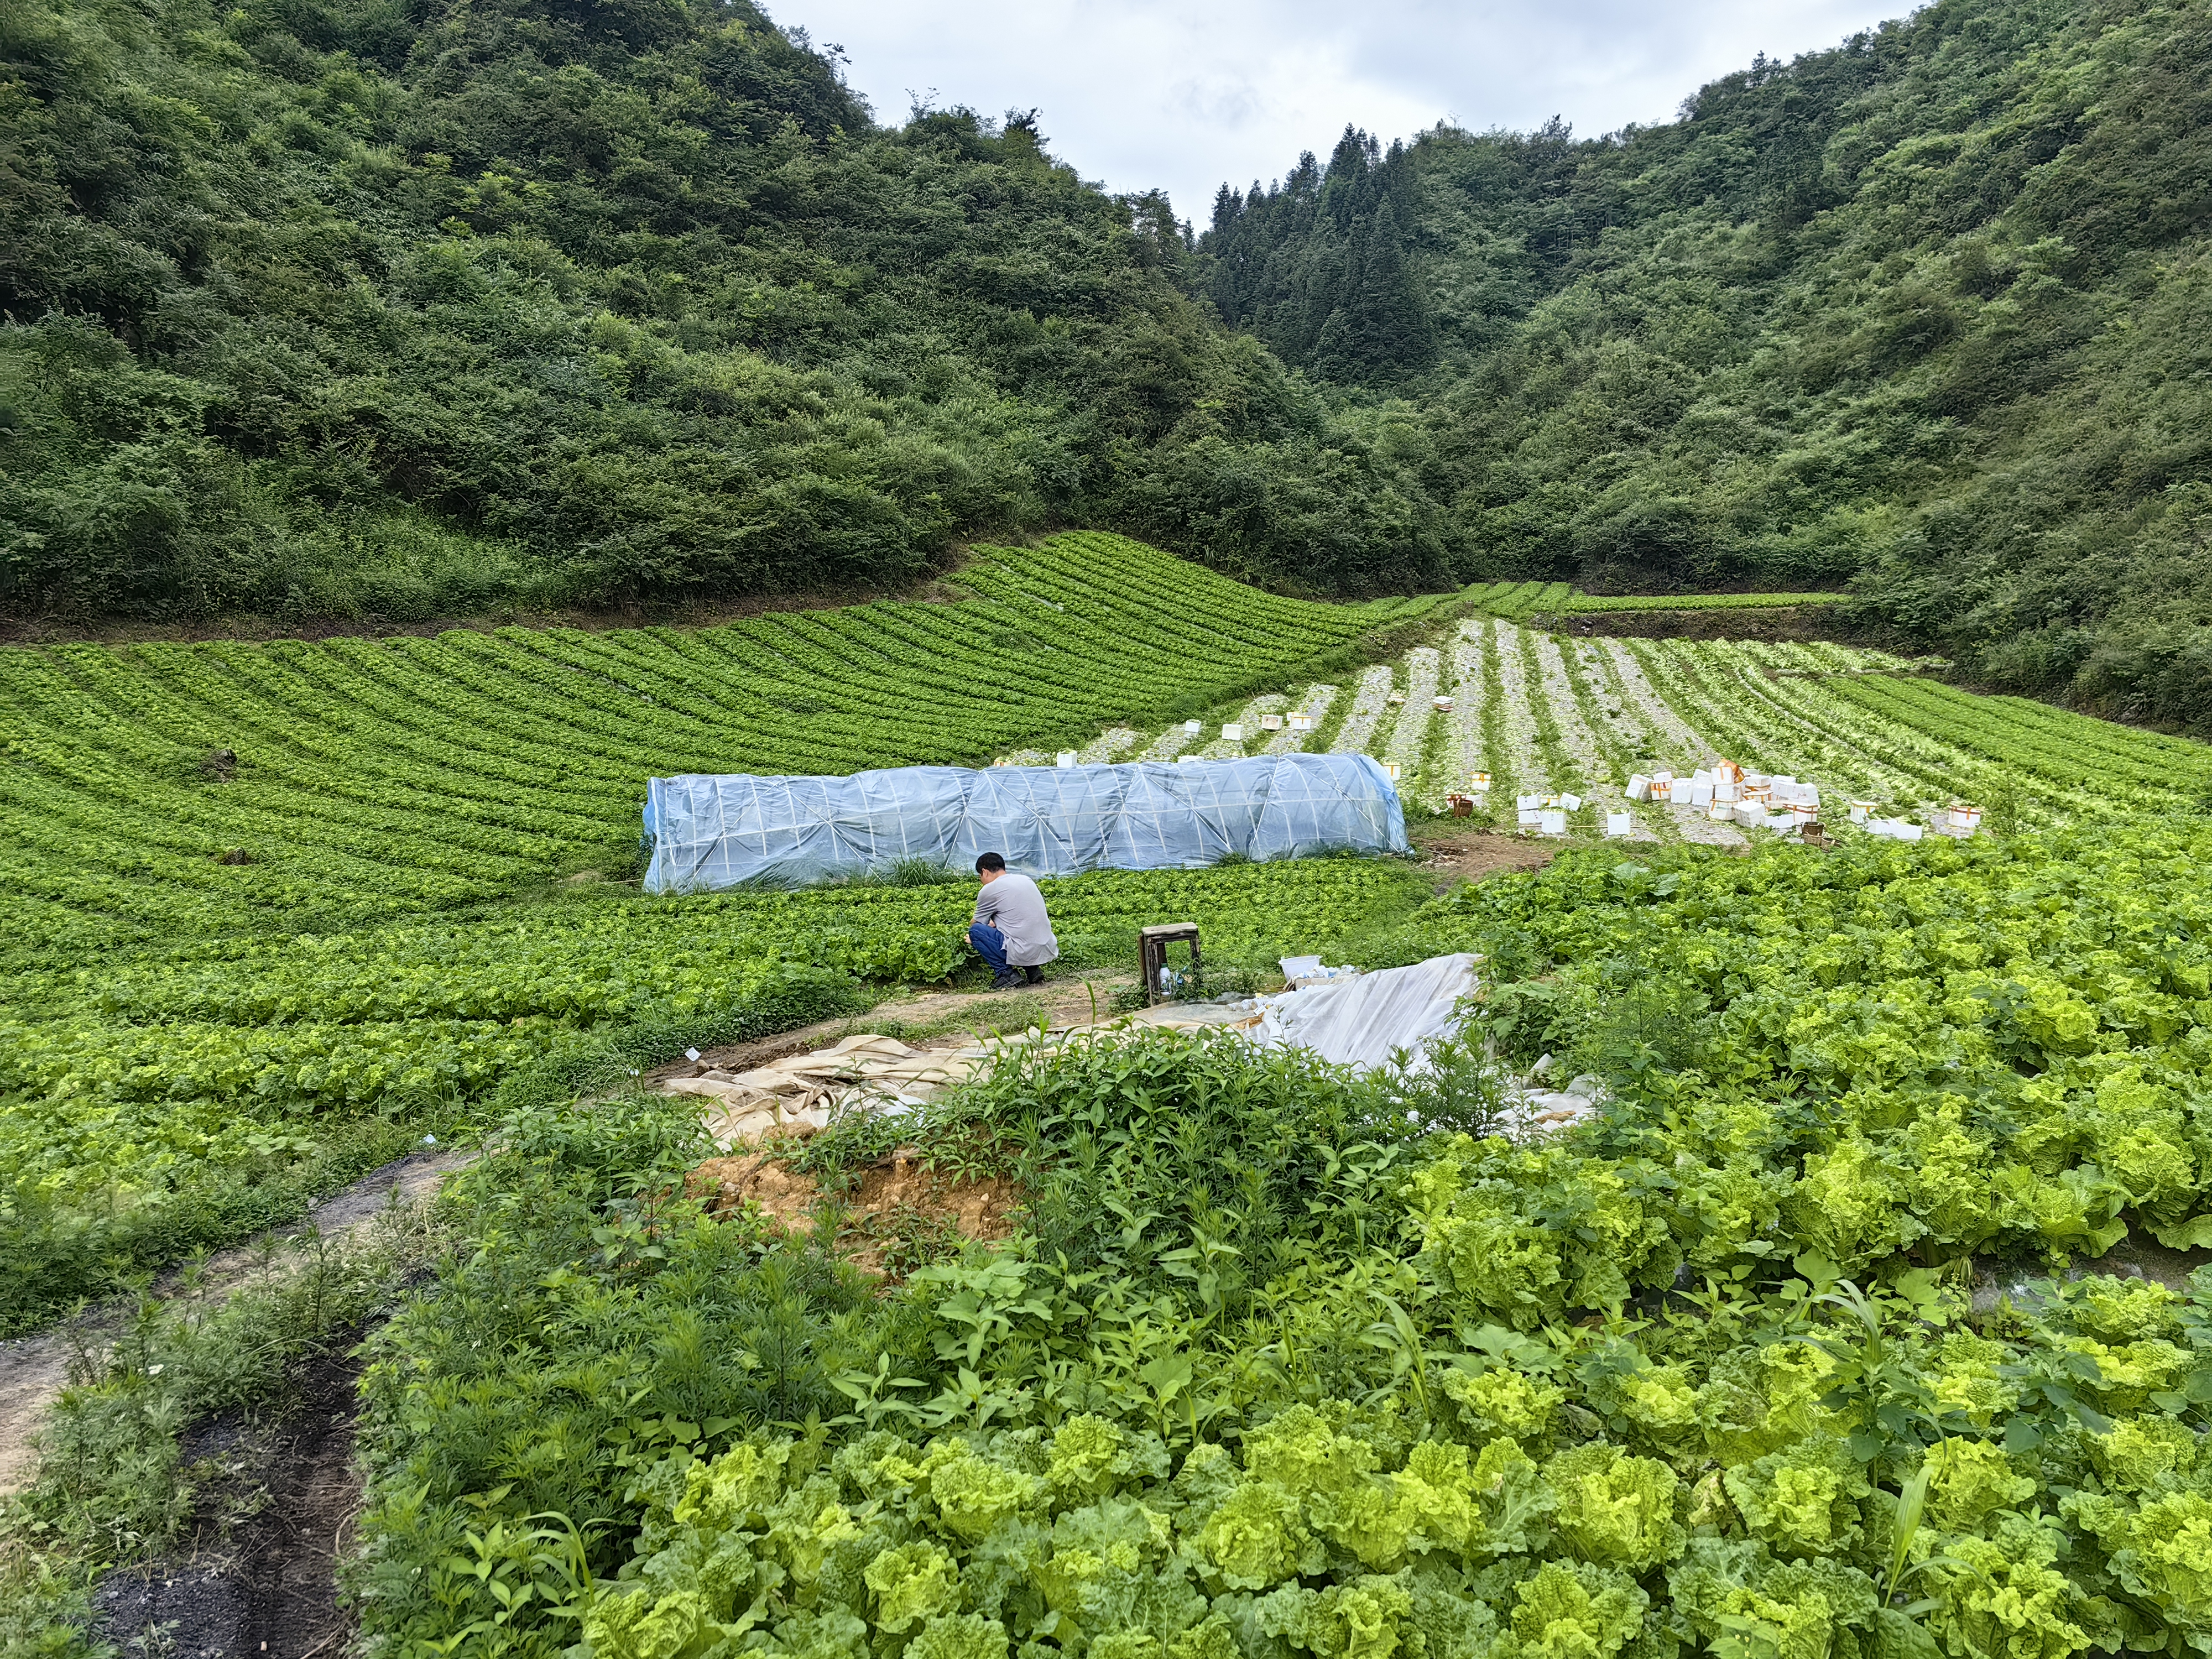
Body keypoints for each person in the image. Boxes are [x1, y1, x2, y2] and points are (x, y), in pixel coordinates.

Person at [969, 852, 1058, 990]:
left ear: (984, 872)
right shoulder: (1025, 879)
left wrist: (975, 938)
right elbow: (1018, 916)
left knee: (976, 932)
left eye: (980, 876)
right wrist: (995, 924)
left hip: (1023, 949)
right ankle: (1033, 970)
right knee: (1017, 930)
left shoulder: (990, 889)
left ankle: (1007, 974)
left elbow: (977, 923)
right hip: (1045, 947)